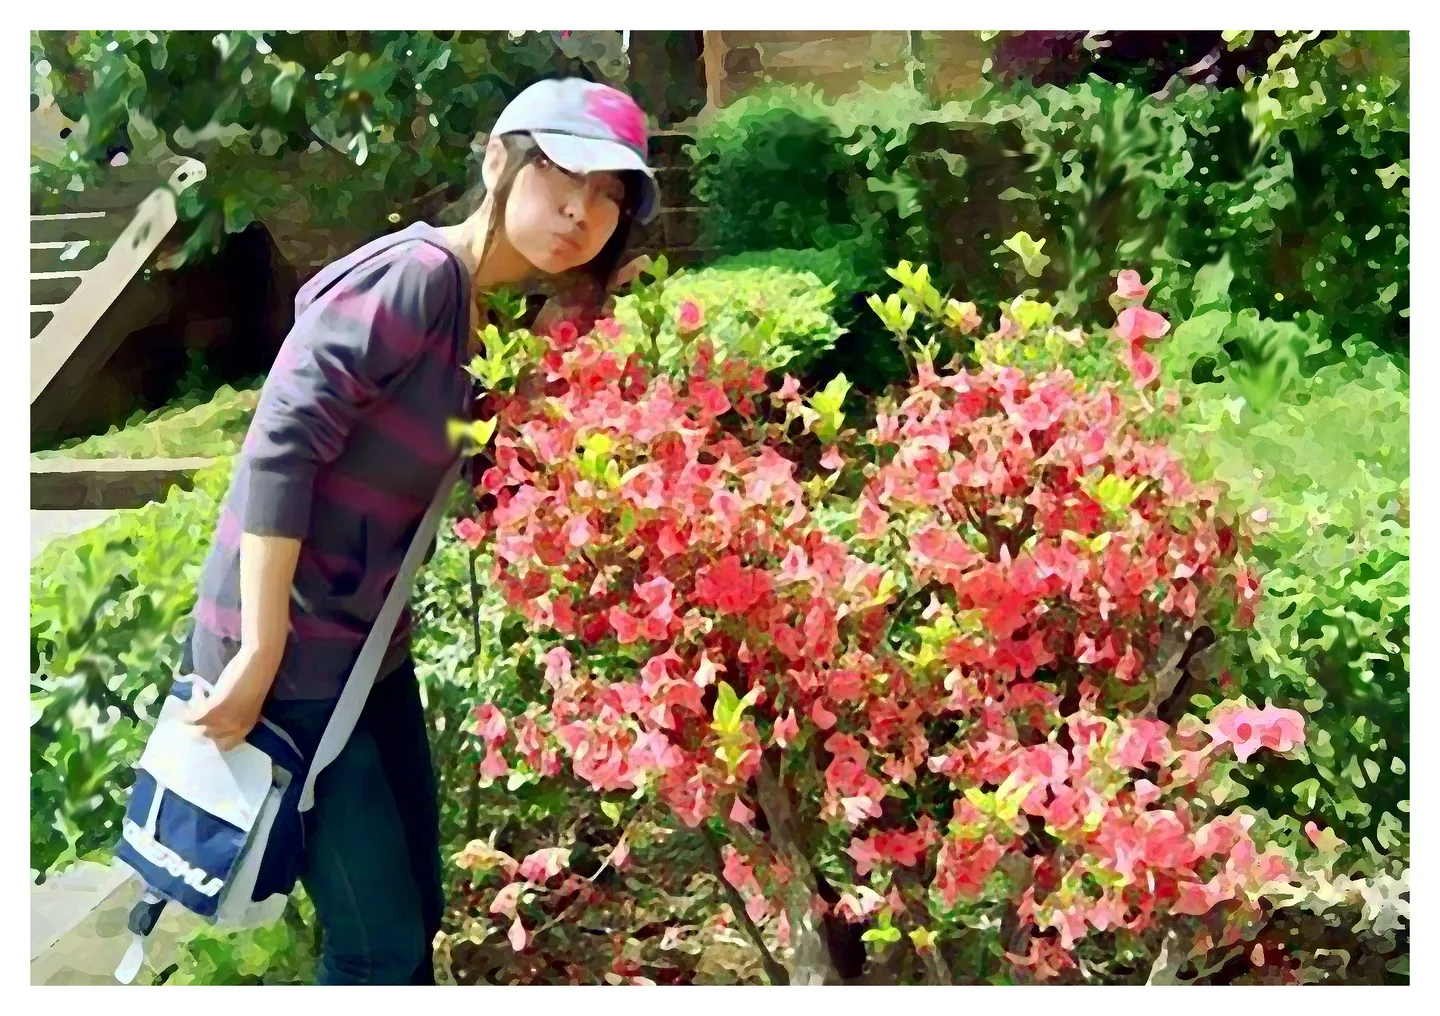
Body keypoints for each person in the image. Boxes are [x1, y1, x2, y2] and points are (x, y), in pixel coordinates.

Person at [177, 76, 660, 985]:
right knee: (377, 949)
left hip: (367, 652)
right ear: (497, 161)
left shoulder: (486, 315)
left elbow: (481, 481)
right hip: (289, 656)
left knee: (416, 917)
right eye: (561, 173)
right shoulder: (420, 275)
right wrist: (259, 656)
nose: (580, 210)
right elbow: (281, 445)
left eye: (609, 195)